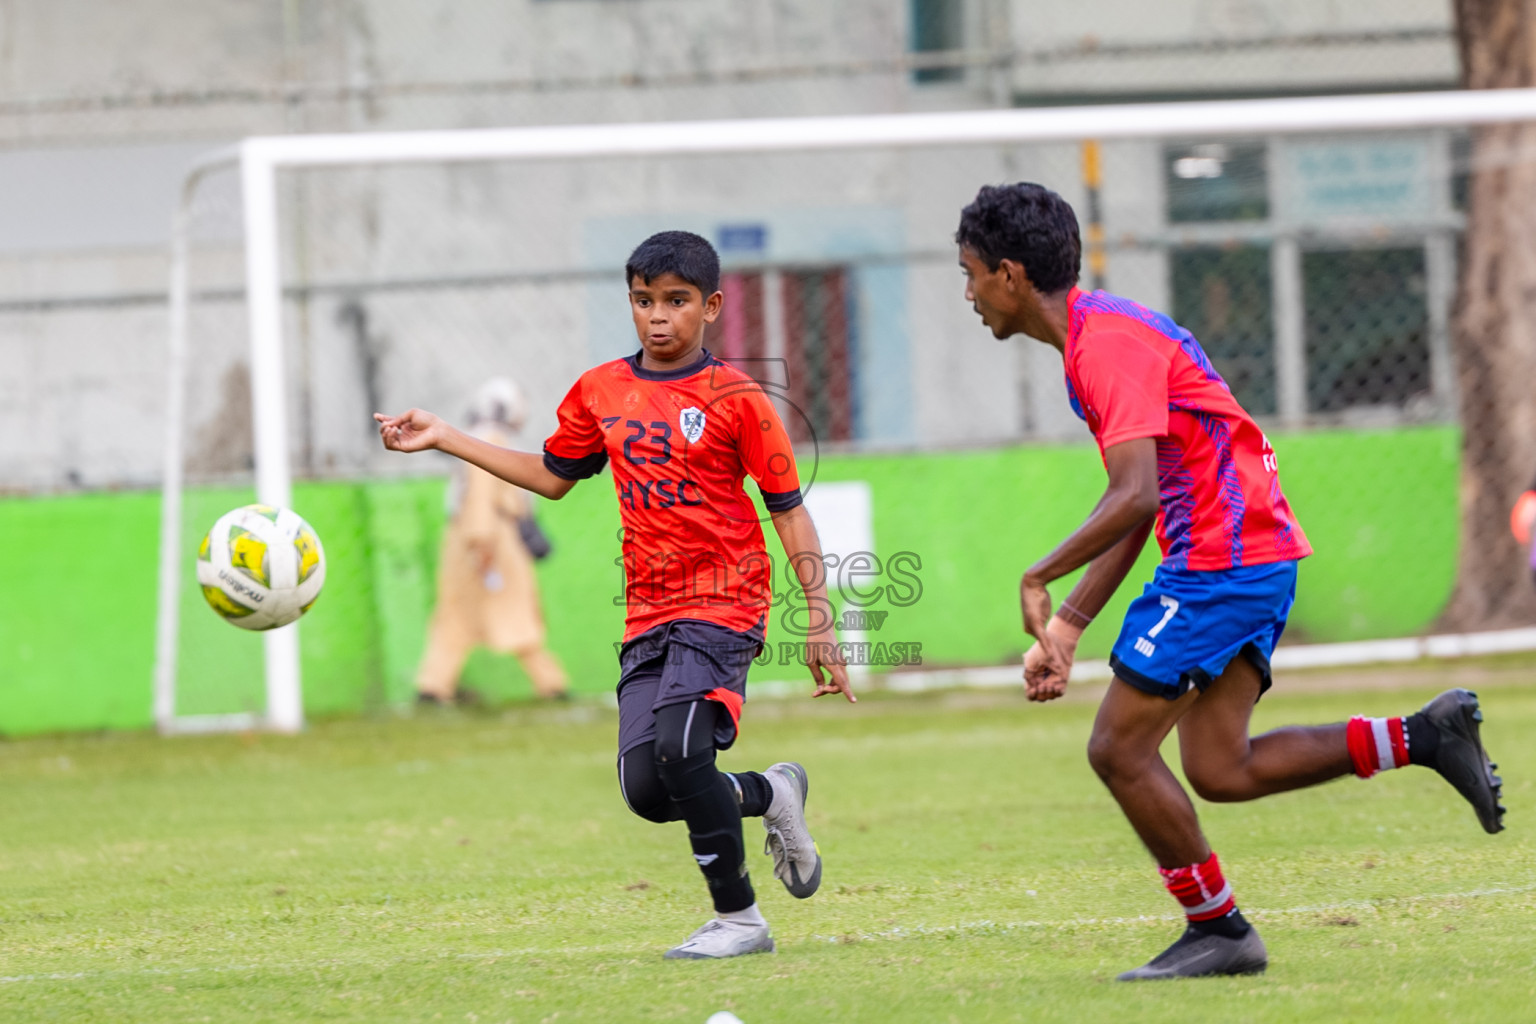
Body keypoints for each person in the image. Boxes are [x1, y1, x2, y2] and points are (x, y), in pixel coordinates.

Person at [955, 182, 1505, 981]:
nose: (968, 292)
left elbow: (1133, 496)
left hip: (1225, 559)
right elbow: (1141, 503)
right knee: (1219, 768)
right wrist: (1069, 626)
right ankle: (1424, 736)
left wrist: (1041, 575)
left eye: (970, 273)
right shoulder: (1095, 336)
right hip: (1246, 554)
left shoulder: (1103, 346)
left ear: (1008, 273)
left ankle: (1220, 931)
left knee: (1117, 749)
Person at [376, 230, 854, 960]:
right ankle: (771, 793)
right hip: (649, 613)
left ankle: (740, 919)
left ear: (712, 306)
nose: (657, 317)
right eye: (642, 301)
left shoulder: (738, 398)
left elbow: (789, 508)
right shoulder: (601, 391)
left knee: (684, 750)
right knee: (648, 788)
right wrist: (446, 437)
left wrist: (819, 618)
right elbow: (551, 475)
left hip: (725, 602)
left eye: (676, 301)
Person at [415, 375, 569, 705]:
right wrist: (482, 541)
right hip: (492, 536)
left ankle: (433, 685)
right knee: (515, 610)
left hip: (466, 537)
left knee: (455, 613)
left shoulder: (473, 438)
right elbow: (482, 495)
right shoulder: (491, 440)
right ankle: (550, 683)